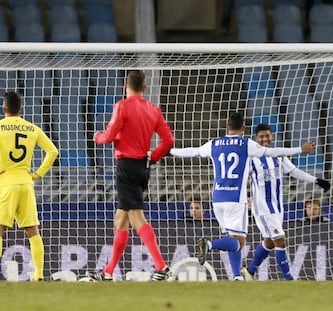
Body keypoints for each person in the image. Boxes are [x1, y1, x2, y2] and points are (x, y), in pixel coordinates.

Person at [170, 112, 316, 280]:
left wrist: (171, 151)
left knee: (233, 238)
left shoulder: (214, 143)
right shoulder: (246, 144)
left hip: (217, 198)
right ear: (244, 128)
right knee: (239, 242)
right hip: (235, 199)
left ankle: (238, 276)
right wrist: (300, 149)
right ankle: (209, 244)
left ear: (227, 126)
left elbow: (193, 151)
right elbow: (272, 151)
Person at [88, 70, 175, 281]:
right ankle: (107, 272)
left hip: (126, 166)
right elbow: (168, 141)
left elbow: (109, 135)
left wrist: (97, 137)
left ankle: (162, 266)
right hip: (143, 167)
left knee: (136, 215)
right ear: (144, 87)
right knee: (121, 219)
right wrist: (152, 157)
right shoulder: (154, 110)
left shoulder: (122, 106)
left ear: (126, 84)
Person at [241, 123, 330, 281]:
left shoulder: (278, 155)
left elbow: (293, 171)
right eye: (261, 136)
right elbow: (241, 181)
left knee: (269, 241)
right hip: (262, 207)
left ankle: (249, 272)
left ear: (272, 136)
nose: (265, 139)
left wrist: (316, 180)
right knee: (280, 240)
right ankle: (290, 280)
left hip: (277, 207)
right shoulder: (250, 158)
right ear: (256, 138)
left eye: (267, 135)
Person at [0, 91, 58, 281]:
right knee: (32, 231)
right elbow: (53, 151)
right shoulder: (32, 128)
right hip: (26, 183)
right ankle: (39, 276)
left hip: (6, 183)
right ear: (20, 108)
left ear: (4, 108)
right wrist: (37, 174)